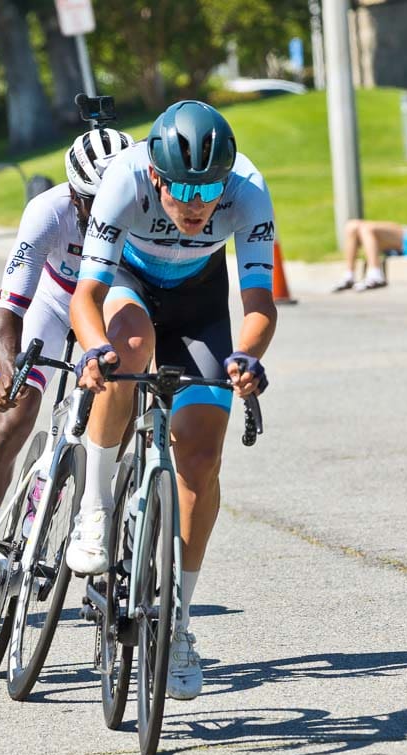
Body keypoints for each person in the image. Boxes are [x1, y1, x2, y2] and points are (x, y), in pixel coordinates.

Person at [69, 100, 277, 700]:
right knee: (128, 347)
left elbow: (259, 305)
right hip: (127, 286)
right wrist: (92, 352)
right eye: (181, 187)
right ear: (155, 175)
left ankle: (180, 623)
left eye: (208, 189)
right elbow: (87, 296)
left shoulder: (249, 191)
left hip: (199, 301)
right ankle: (96, 508)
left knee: (203, 457)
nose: (194, 203)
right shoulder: (123, 179)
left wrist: (248, 357)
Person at [0, 127, 134, 618]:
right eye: (93, 201)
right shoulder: (47, 211)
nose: (105, 210)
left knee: (119, 414)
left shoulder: (140, 210)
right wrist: (9, 371)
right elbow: (9, 308)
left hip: (110, 306)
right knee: (11, 423)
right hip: (52, 305)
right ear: (74, 194)